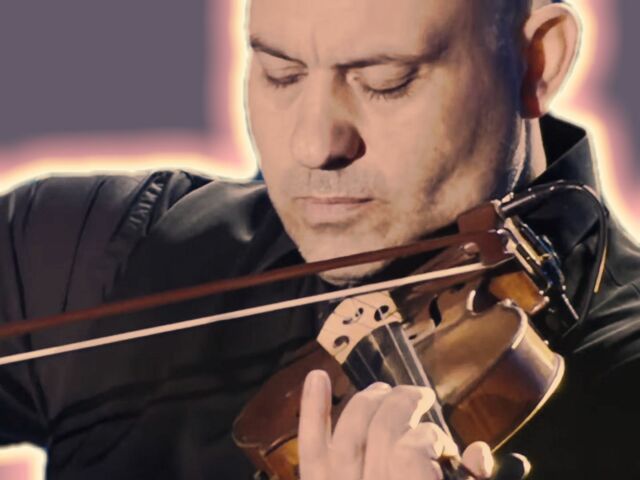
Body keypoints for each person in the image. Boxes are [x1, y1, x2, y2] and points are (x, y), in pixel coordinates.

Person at [1, 0, 639, 478]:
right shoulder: (95, 250)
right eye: (281, 73)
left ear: (536, 62)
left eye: (386, 80)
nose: (314, 144)